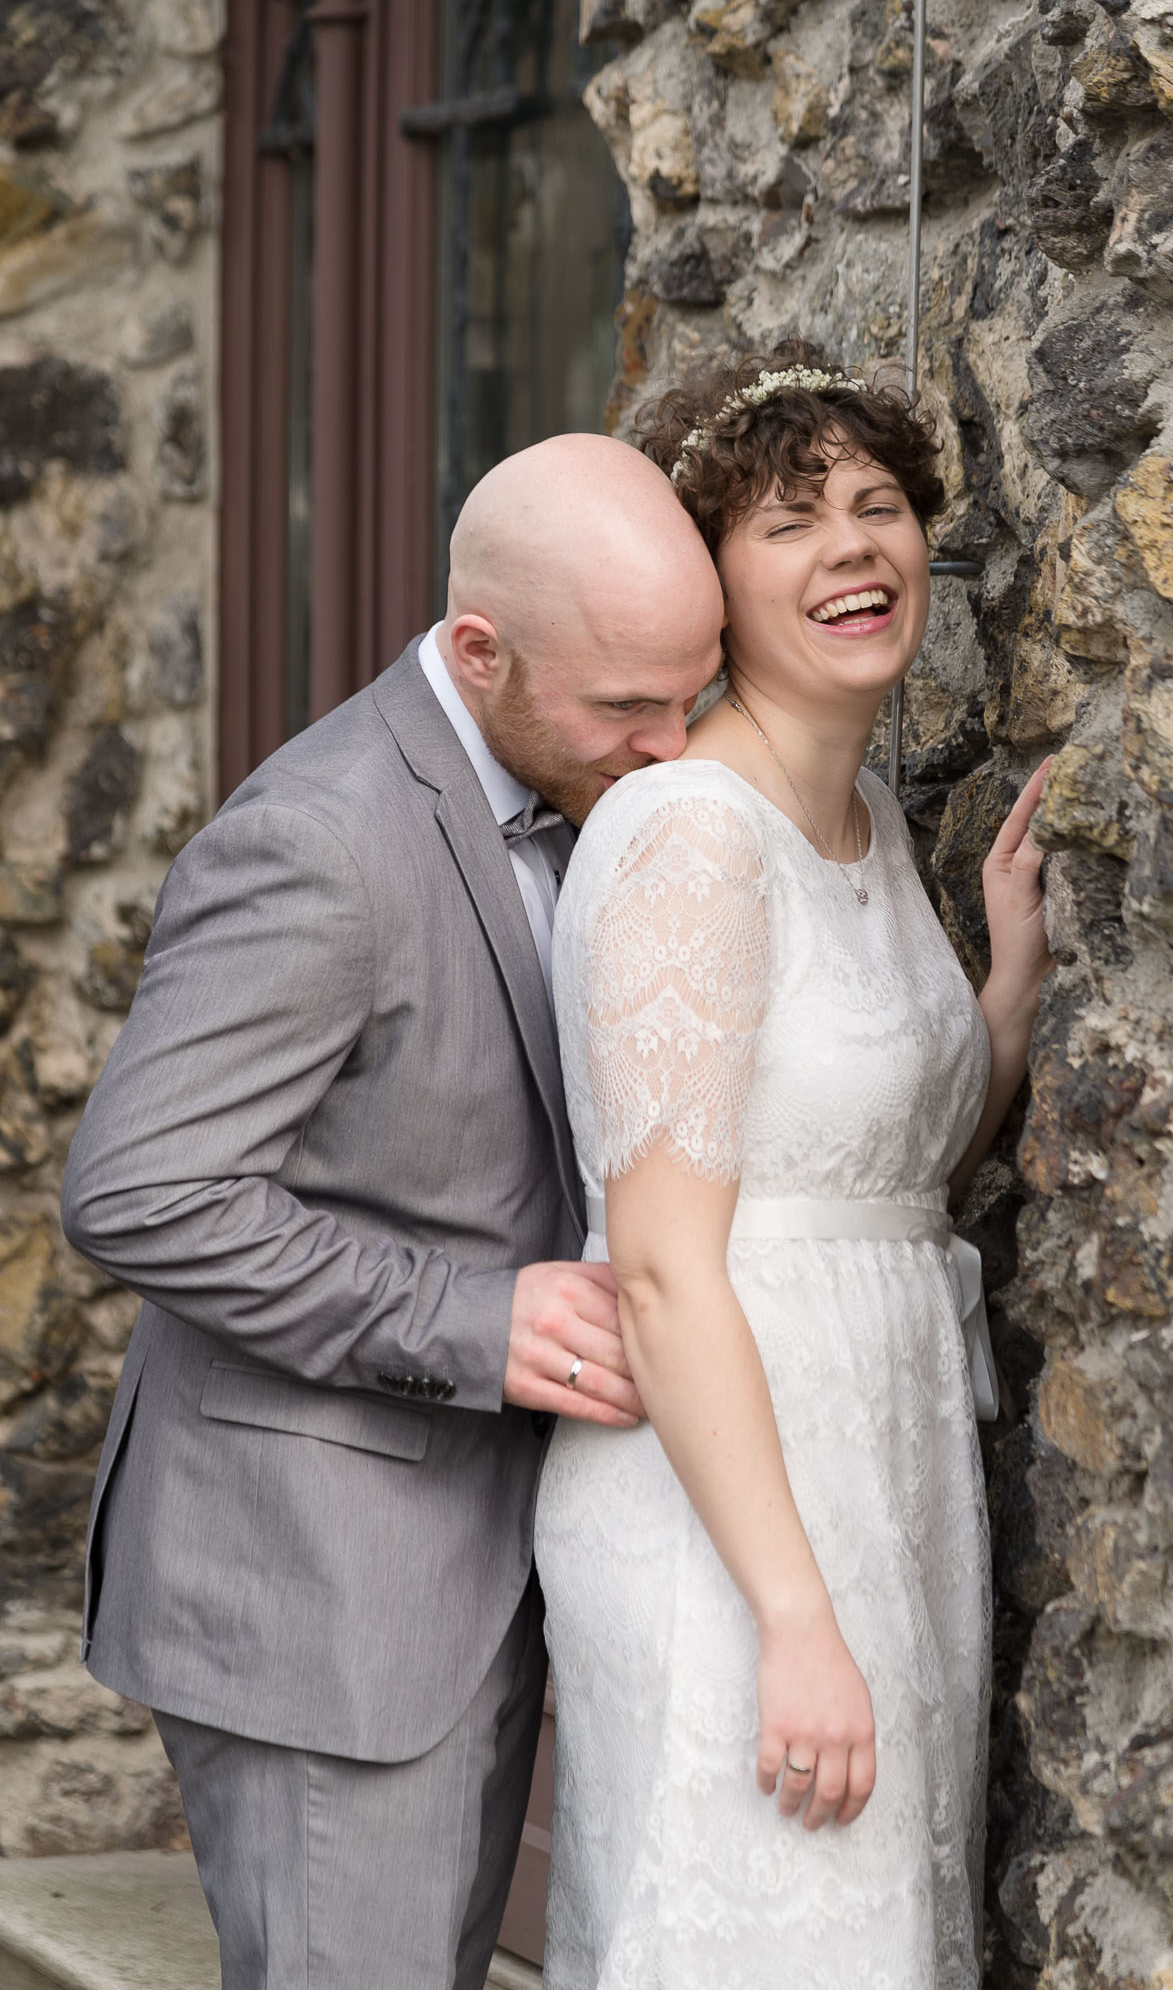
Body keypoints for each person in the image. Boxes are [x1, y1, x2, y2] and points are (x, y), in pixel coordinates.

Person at [60, 434, 724, 1990]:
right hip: (321, 1601)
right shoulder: (322, 841)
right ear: (478, 653)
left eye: (690, 693)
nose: (674, 744)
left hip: (477, 1571)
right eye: (628, 707)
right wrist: (471, 1321)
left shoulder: (598, 777)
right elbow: (139, 1189)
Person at [535, 341, 1052, 1988]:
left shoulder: (880, 822)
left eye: (880, 507)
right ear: (714, 586)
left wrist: (1007, 1003)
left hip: (885, 1469)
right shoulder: (686, 833)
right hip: (731, 1515)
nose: (852, 547)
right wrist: (794, 1618)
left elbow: (876, 1172)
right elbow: (670, 1262)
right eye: (787, 524)